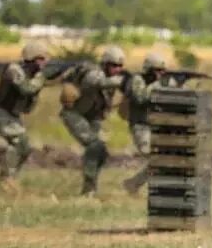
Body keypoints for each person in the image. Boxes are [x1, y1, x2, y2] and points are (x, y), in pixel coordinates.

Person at [60, 44, 127, 196]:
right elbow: (100, 82)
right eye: (114, 65)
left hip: (92, 116)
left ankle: (89, 187)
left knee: (101, 152)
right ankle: (89, 189)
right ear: (105, 64)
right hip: (74, 114)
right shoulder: (93, 73)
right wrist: (125, 80)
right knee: (94, 145)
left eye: (120, 66)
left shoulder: (112, 78)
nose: (117, 69)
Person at [0, 41, 50, 190]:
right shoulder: (15, 70)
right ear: (30, 58)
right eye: (41, 59)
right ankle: (6, 179)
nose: (45, 62)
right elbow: (26, 89)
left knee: (25, 147)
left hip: (10, 114)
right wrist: (41, 78)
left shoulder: (32, 73)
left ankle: (10, 177)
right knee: (18, 142)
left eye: (46, 59)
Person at [121, 52, 170, 195]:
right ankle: (136, 184)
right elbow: (140, 98)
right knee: (156, 158)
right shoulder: (137, 80)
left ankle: (133, 183)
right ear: (149, 69)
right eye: (158, 71)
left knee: (163, 159)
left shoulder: (154, 83)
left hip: (154, 127)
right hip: (140, 127)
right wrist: (157, 85)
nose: (161, 74)